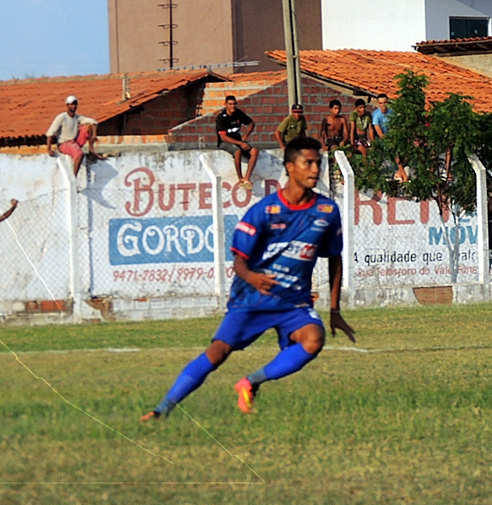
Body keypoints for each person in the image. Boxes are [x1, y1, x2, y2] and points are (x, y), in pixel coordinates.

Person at [141, 137, 355, 420]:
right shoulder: (265, 211)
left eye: (318, 163)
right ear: (290, 167)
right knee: (218, 353)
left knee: (314, 339)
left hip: (293, 302)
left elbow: (335, 257)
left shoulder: (327, 211)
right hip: (252, 299)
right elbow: (239, 260)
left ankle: (250, 382)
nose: (315, 169)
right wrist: (253, 278)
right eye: (309, 163)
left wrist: (335, 309)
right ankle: (161, 409)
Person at [46, 95, 103, 176]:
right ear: (67, 105)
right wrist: (49, 149)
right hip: (64, 143)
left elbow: (93, 122)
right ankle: (73, 178)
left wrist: (94, 134)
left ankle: (91, 151)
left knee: (88, 127)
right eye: (71, 104)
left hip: (74, 142)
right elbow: (50, 132)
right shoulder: (62, 117)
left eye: (75, 104)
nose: (73, 106)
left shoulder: (77, 117)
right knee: (80, 155)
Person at [216, 95, 259, 188]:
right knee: (237, 151)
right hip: (225, 143)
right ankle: (240, 178)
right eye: (230, 104)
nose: (232, 106)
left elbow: (251, 123)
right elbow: (223, 137)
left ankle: (247, 178)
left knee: (254, 151)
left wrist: (246, 136)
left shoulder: (238, 113)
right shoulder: (221, 117)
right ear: (226, 105)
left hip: (238, 140)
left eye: (234, 104)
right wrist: (240, 143)